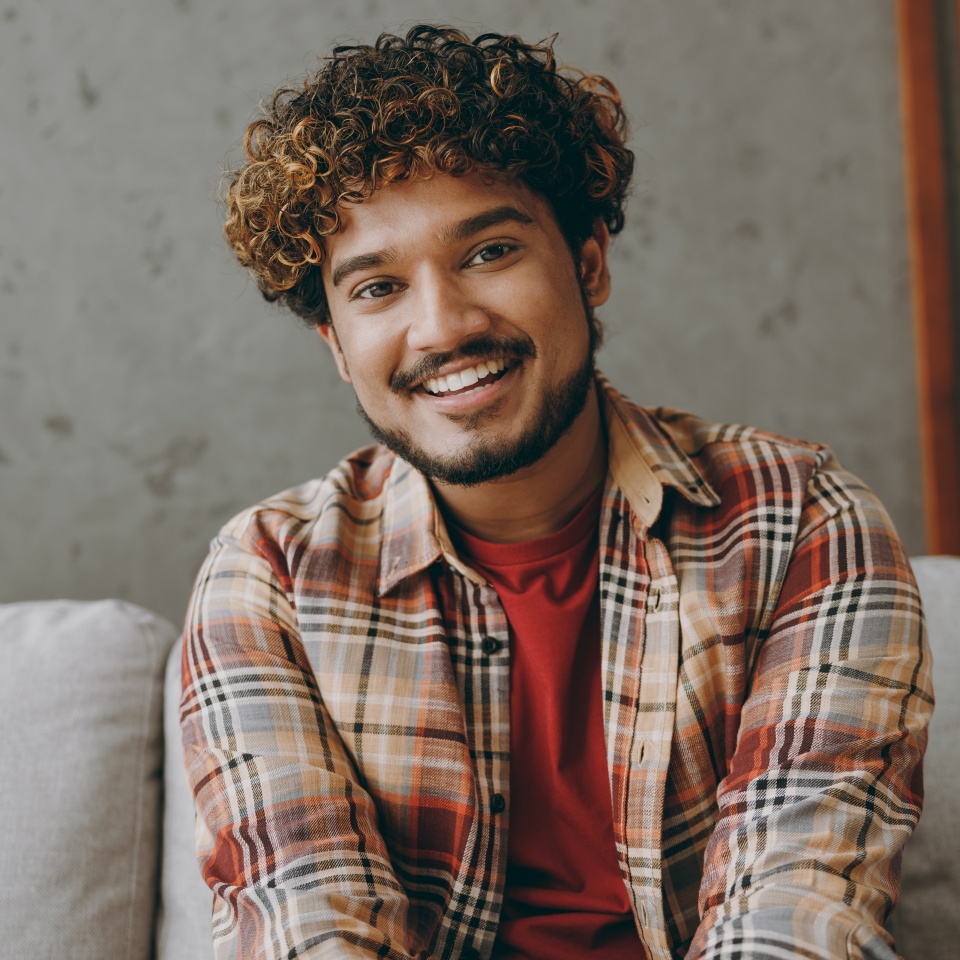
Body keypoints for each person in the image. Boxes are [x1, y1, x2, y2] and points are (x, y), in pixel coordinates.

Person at [180, 25, 933, 960]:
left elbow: (800, 903)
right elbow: (305, 918)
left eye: (489, 252)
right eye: (376, 288)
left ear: (588, 263)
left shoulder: (803, 519)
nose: (442, 326)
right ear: (336, 345)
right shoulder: (269, 577)